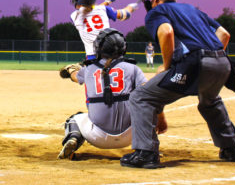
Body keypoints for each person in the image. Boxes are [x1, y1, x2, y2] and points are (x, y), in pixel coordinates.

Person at [120, 0, 235, 169]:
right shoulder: (193, 10)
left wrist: (168, 65)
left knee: (141, 97)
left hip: (195, 63)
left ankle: (146, 153)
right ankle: (232, 149)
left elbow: (167, 32)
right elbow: (224, 34)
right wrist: (212, 58)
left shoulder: (157, 11)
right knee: (209, 101)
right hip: (223, 62)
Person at [58, 28, 167, 159]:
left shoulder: (90, 69)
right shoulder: (133, 68)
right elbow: (150, 97)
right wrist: (160, 119)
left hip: (97, 137)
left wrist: (71, 70)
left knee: (75, 118)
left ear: (99, 48)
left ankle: (73, 138)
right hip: (131, 136)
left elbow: (76, 76)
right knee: (146, 110)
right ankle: (149, 149)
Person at [70, 0, 138, 62]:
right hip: (109, 56)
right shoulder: (104, 10)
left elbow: (91, 9)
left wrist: (108, 1)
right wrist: (130, 7)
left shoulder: (74, 16)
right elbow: (124, 14)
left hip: (92, 58)